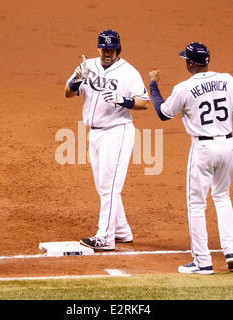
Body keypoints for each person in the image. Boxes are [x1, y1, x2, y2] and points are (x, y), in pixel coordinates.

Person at [148, 42, 233, 274]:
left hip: (203, 150)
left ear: (190, 63)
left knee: (196, 204)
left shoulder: (183, 88)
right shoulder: (228, 79)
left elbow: (163, 113)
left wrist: (153, 86)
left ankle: (202, 261)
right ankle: (230, 251)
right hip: (228, 146)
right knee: (223, 197)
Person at [65, 29, 149, 250]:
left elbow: (144, 102)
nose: (107, 53)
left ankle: (105, 238)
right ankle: (122, 231)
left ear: (118, 49)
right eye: (103, 49)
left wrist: (123, 100)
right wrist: (76, 79)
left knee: (110, 186)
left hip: (117, 131)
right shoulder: (88, 66)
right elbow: (68, 92)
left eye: (111, 49)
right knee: (104, 186)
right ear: (99, 48)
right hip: (95, 133)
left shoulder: (129, 72)